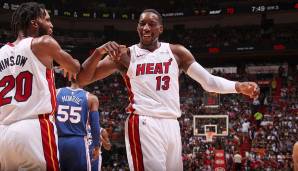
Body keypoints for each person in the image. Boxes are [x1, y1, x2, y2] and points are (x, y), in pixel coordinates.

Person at [77, 9, 260, 171]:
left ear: (161, 29)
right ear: (137, 28)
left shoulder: (176, 52)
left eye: (152, 24)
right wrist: (97, 53)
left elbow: (209, 82)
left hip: (172, 123)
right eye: (142, 24)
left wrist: (238, 86)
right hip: (144, 122)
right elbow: (82, 79)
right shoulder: (125, 55)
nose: (146, 28)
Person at [0, 2, 80, 170]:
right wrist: (73, 62)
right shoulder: (43, 43)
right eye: (47, 19)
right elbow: (75, 69)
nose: (51, 24)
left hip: (4, 135)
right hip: (34, 128)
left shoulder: (1, 53)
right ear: (35, 23)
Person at [55, 79, 100, 171]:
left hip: (58, 141)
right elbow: (95, 125)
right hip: (78, 142)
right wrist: (97, 146)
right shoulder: (91, 98)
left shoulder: (56, 93)